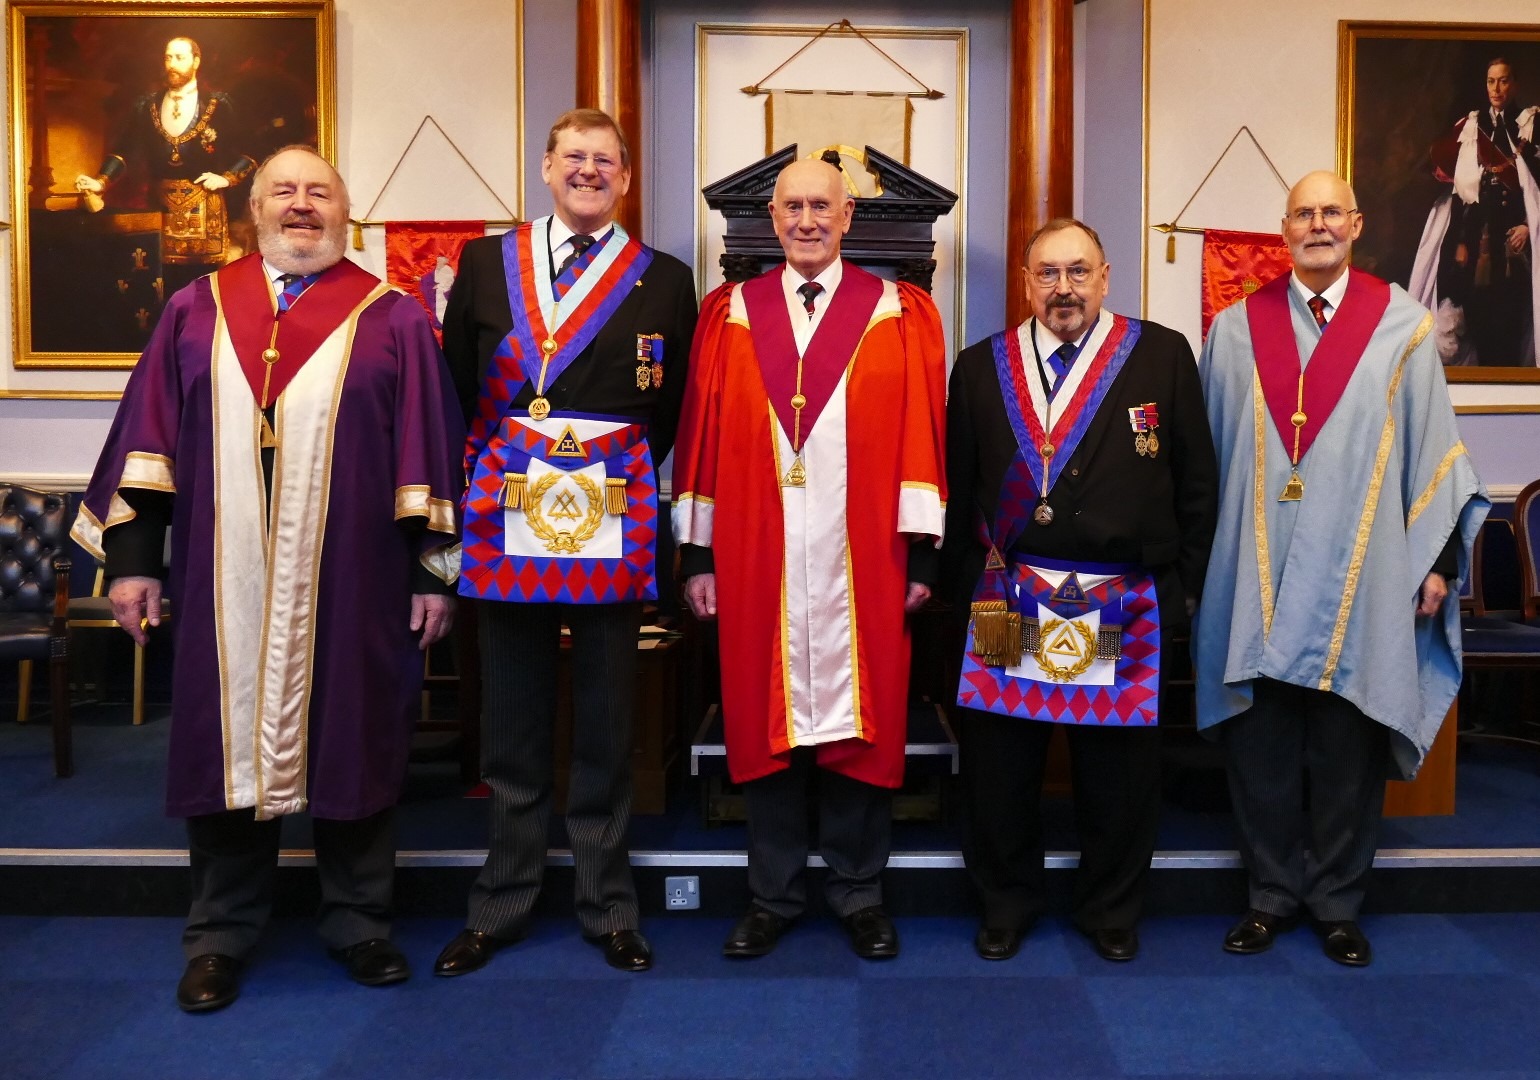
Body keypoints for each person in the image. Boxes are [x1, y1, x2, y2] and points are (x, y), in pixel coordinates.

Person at [70, 145, 465, 1012]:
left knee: (357, 740)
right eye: (283, 191)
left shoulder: (392, 319)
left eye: (319, 192)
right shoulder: (195, 309)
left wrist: (431, 576)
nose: (301, 205)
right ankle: (219, 935)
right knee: (221, 744)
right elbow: (146, 442)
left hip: (357, 579)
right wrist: (133, 566)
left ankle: (360, 923)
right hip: (224, 580)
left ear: (345, 213)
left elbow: (429, 454)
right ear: (253, 210)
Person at [1197, 170, 1488, 967]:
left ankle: (1336, 902)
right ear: (1284, 229)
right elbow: (1207, 456)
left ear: (1356, 225)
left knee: (1345, 748)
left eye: (1332, 211)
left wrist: (1436, 562)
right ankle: (1268, 895)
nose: (1318, 224)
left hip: (1361, 576)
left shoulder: (1403, 326)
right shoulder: (1234, 330)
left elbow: (1434, 451)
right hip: (1257, 575)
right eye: (1304, 213)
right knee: (1260, 746)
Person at [434, 108, 698, 976]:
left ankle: (607, 905)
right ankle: (502, 901)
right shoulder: (485, 263)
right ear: (547, 167)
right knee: (511, 723)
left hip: (610, 521)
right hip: (507, 515)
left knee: (605, 721)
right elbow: (456, 388)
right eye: (574, 157)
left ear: (626, 177)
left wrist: (596, 472)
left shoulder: (666, 279)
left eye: (605, 160)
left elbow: (669, 410)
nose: (589, 171)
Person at [672, 156, 947, 960]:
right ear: (772, 216)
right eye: (792, 206)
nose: (806, 220)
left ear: (848, 215)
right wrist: (697, 555)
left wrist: (923, 559)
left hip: (866, 556)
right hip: (754, 550)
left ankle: (860, 893)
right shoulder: (731, 314)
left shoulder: (898, 312)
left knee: (862, 722)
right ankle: (773, 895)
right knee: (765, 720)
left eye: (821, 206)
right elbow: (702, 436)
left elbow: (923, 437)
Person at [942, 218, 1218, 963]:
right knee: (1000, 766)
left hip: (1124, 595)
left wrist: (1185, 588)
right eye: (1047, 273)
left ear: (1104, 277)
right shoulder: (979, 366)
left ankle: (1111, 910)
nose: (1063, 288)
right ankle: (1005, 903)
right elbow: (958, 488)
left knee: (1118, 772)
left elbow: (1197, 483)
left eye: (1077, 272)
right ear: (1026, 283)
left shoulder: (1161, 355)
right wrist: (965, 588)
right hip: (1007, 595)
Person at [75, 37, 256, 292]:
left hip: (205, 210)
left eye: (180, 58)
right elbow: (124, 152)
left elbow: (248, 153)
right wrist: (101, 181)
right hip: (160, 209)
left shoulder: (218, 105)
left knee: (203, 289)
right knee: (162, 286)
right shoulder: (147, 105)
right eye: (168, 57)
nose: (172, 64)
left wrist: (226, 178)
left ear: (196, 61)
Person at [1409, 57, 1540, 366]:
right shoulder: (1473, 127)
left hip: (1514, 247)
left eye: (1503, 81)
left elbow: (1537, 190)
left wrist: (1527, 226)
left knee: (1509, 319)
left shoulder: (1530, 125)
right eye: (1491, 81)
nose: (1496, 88)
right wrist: (1460, 242)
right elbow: (1462, 194)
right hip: (1478, 243)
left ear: (1514, 84)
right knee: (1475, 317)